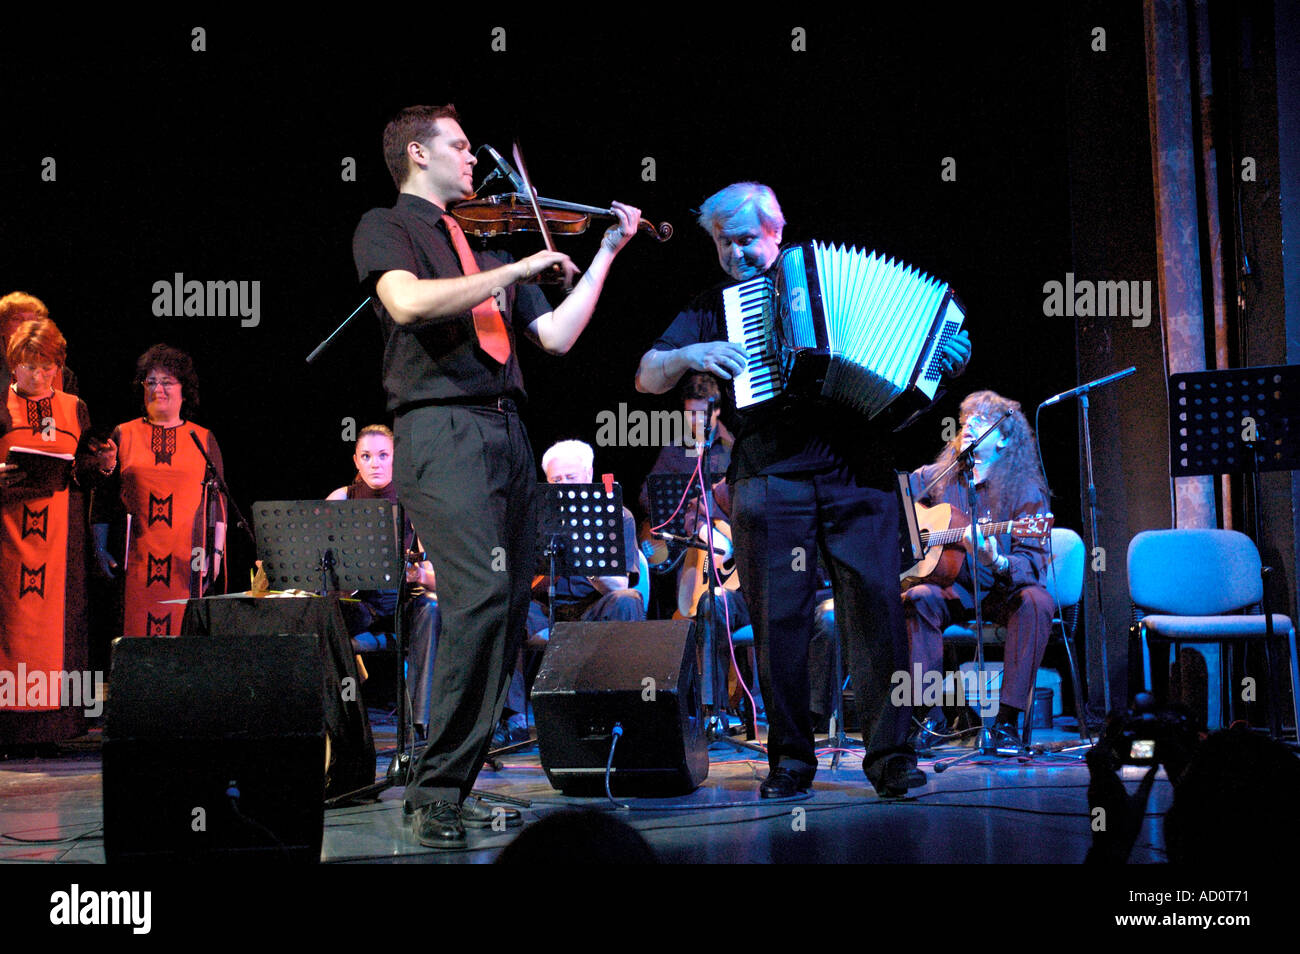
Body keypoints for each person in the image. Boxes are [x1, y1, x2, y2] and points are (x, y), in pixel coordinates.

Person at [352, 104, 642, 847]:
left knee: (509, 606)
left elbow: (554, 336)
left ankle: (456, 782)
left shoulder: (478, 241)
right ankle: (433, 790)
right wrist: (514, 268)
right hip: (440, 425)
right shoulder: (389, 226)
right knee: (478, 595)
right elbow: (406, 302)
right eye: (458, 146)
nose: (473, 159)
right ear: (418, 153)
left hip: (507, 428)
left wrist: (606, 253)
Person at [636, 181, 970, 798]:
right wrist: (693, 353)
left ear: (775, 232)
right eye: (723, 242)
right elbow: (648, 374)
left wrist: (945, 352)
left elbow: (935, 340)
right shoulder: (712, 308)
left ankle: (892, 757)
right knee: (777, 622)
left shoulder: (825, 277)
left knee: (876, 617)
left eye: (746, 239)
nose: (736, 254)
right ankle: (790, 760)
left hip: (858, 472)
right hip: (767, 475)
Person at [903, 390, 1054, 752]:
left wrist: (996, 561)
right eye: (967, 419)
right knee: (918, 596)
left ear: (1004, 439)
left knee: (1038, 602)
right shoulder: (940, 477)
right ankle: (928, 717)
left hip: (1002, 591)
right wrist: (910, 544)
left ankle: (1006, 722)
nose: (970, 425)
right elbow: (894, 498)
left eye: (982, 420)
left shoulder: (1025, 489)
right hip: (954, 588)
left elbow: (1031, 565)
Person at [1, 318, 114, 746]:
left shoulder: (74, 407)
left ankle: (57, 726)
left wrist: (103, 464)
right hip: (7, 534)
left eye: (49, 366)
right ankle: (7, 726)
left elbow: (83, 470)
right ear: (14, 367)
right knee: (9, 623)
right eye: (31, 366)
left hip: (60, 538)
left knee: (61, 625)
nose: (40, 375)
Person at [93, 345, 226, 637]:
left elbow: (218, 504)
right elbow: (103, 497)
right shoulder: (123, 434)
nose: (158, 389)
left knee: (182, 645)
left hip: (186, 562)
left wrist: (215, 555)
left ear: (184, 389)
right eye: (150, 382)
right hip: (135, 563)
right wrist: (100, 548)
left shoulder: (202, 438)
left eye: (167, 382)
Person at [326, 425, 441, 739]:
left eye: (383, 455)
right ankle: (337, 724)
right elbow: (319, 567)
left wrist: (417, 573)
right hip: (358, 606)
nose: (374, 463)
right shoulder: (341, 499)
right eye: (366, 456)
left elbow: (440, 577)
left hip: (403, 605)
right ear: (356, 461)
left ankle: (422, 721)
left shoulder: (415, 503)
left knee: (431, 608)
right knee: (318, 614)